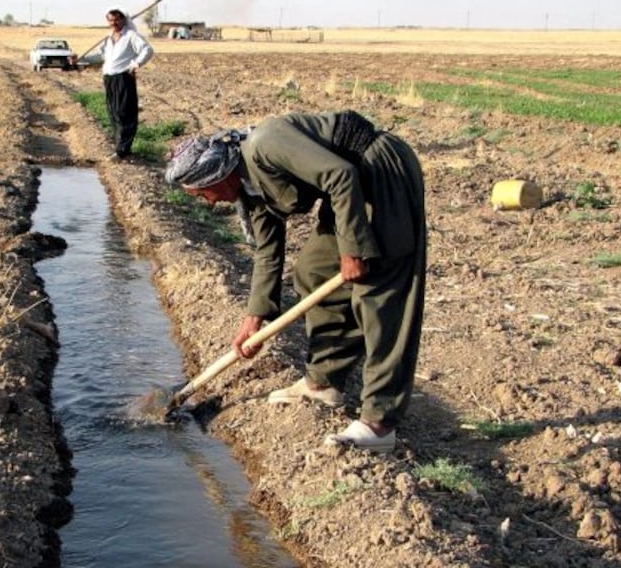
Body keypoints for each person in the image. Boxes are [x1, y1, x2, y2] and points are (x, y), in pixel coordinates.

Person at [164, 111, 426, 453]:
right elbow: (267, 252)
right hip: (349, 190)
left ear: (216, 174)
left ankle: (380, 423)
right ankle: (323, 383)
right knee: (314, 271)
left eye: (203, 194)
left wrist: (353, 250)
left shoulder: (265, 144)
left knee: (378, 293)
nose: (209, 202)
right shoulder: (249, 189)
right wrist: (254, 319)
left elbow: (341, 174)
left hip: (380, 172)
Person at [96, 7, 154, 161]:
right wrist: (79, 60)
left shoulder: (131, 36)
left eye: (117, 19)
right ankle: (121, 148)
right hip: (109, 79)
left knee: (125, 113)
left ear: (123, 20)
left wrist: (136, 64)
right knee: (113, 113)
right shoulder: (108, 39)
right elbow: (101, 57)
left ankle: (122, 151)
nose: (114, 23)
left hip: (124, 77)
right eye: (111, 20)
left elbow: (147, 50)